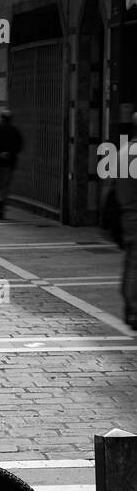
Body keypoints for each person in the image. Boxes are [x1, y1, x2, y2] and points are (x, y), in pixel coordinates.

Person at [115, 107, 137, 330]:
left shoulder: (123, 151)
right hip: (134, 213)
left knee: (131, 262)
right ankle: (133, 309)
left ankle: (130, 306)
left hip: (127, 213)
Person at [0, 108, 24, 219]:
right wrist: (8, 153)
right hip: (9, 163)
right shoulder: (15, 130)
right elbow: (19, 146)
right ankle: (1, 202)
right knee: (4, 185)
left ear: (1, 117)